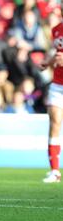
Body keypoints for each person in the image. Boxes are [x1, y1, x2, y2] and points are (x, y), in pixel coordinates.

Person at [39, 17, 63, 183]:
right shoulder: (56, 29)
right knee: (54, 122)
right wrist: (48, 61)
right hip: (57, 84)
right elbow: (56, 52)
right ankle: (54, 171)